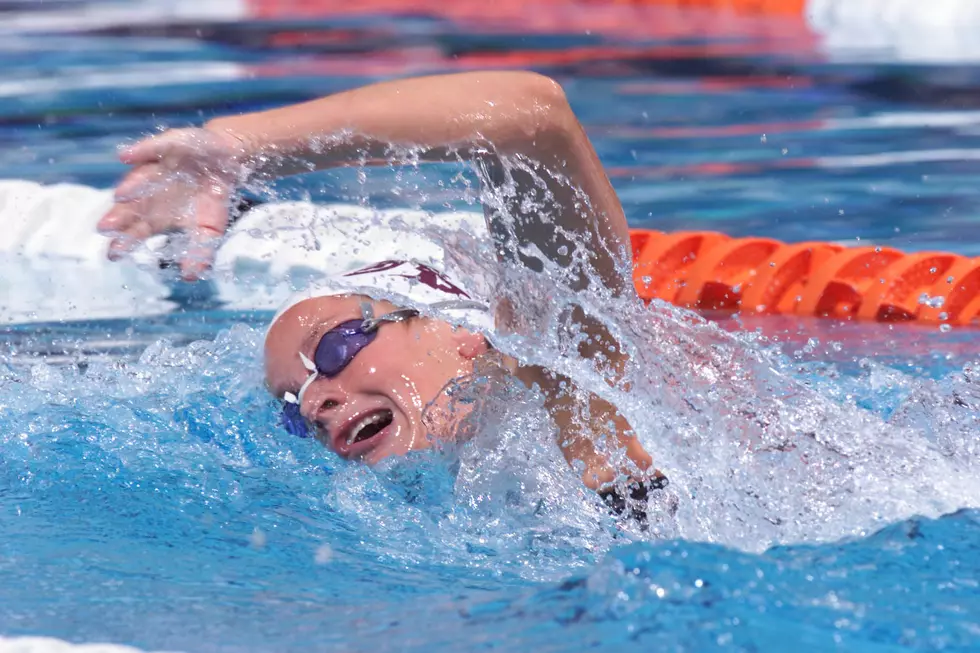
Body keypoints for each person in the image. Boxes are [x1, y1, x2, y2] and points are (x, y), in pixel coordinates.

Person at [97, 71, 668, 524]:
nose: (313, 403)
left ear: (458, 330)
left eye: (333, 348)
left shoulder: (577, 396)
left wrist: (242, 148)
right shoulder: (420, 522)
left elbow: (532, 116)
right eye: (291, 404)